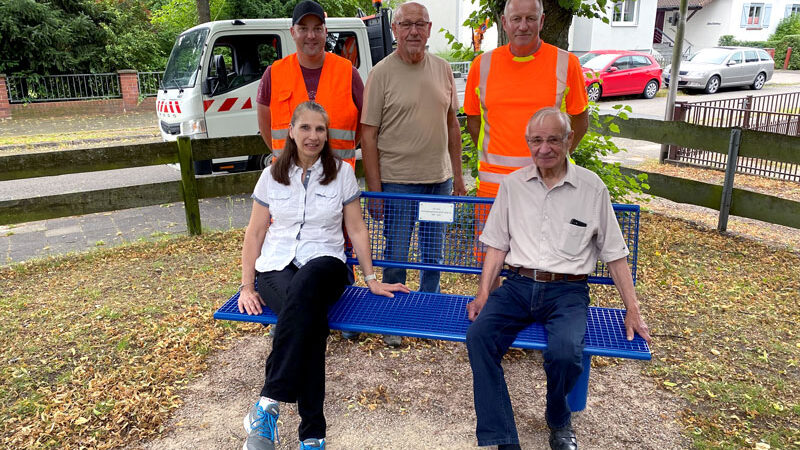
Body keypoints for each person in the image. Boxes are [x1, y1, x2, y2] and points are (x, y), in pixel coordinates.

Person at [465, 108, 652, 450]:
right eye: (537, 140)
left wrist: (633, 308)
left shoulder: (591, 188)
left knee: (566, 353)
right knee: (479, 337)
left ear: (568, 140)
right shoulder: (512, 186)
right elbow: (496, 245)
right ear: (528, 144)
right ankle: (504, 437)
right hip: (518, 286)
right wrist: (482, 294)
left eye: (553, 139)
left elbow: (614, 253)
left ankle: (558, 417)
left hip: (567, 290)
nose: (545, 148)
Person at [238, 101, 409, 450]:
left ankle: (268, 405)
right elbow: (255, 233)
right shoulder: (271, 174)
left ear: (327, 134)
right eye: (305, 128)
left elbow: (357, 229)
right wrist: (246, 285)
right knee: (309, 320)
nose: (313, 136)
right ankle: (312, 434)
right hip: (276, 265)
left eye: (320, 129)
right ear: (291, 130)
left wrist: (371, 278)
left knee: (305, 298)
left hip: (326, 263)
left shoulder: (341, 172)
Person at [360, 1, 465, 346]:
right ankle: (395, 317)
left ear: (430, 29)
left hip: (439, 181)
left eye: (420, 24)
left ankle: (429, 313)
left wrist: (459, 178)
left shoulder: (443, 69)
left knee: (433, 254)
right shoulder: (381, 73)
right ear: (394, 30)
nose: (414, 31)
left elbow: (452, 126)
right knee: (397, 252)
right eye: (406, 25)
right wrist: (375, 190)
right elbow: (368, 135)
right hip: (398, 182)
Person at [463, 0, 590, 200]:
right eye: (516, 19)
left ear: (541, 21)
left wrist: (556, 157)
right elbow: (473, 121)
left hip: (549, 186)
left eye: (530, 18)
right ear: (504, 22)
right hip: (494, 187)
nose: (523, 26)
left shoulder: (567, 63)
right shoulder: (481, 65)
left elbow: (580, 120)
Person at [256, 0, 363, 169]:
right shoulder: (273, 74)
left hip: (337, 177)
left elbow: (362, 125)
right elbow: (265, 127)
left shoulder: (348, 72)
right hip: (289, 177)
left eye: (317, 28)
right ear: (292, 32)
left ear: (325, 32)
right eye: (303, 28)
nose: (311, 35)